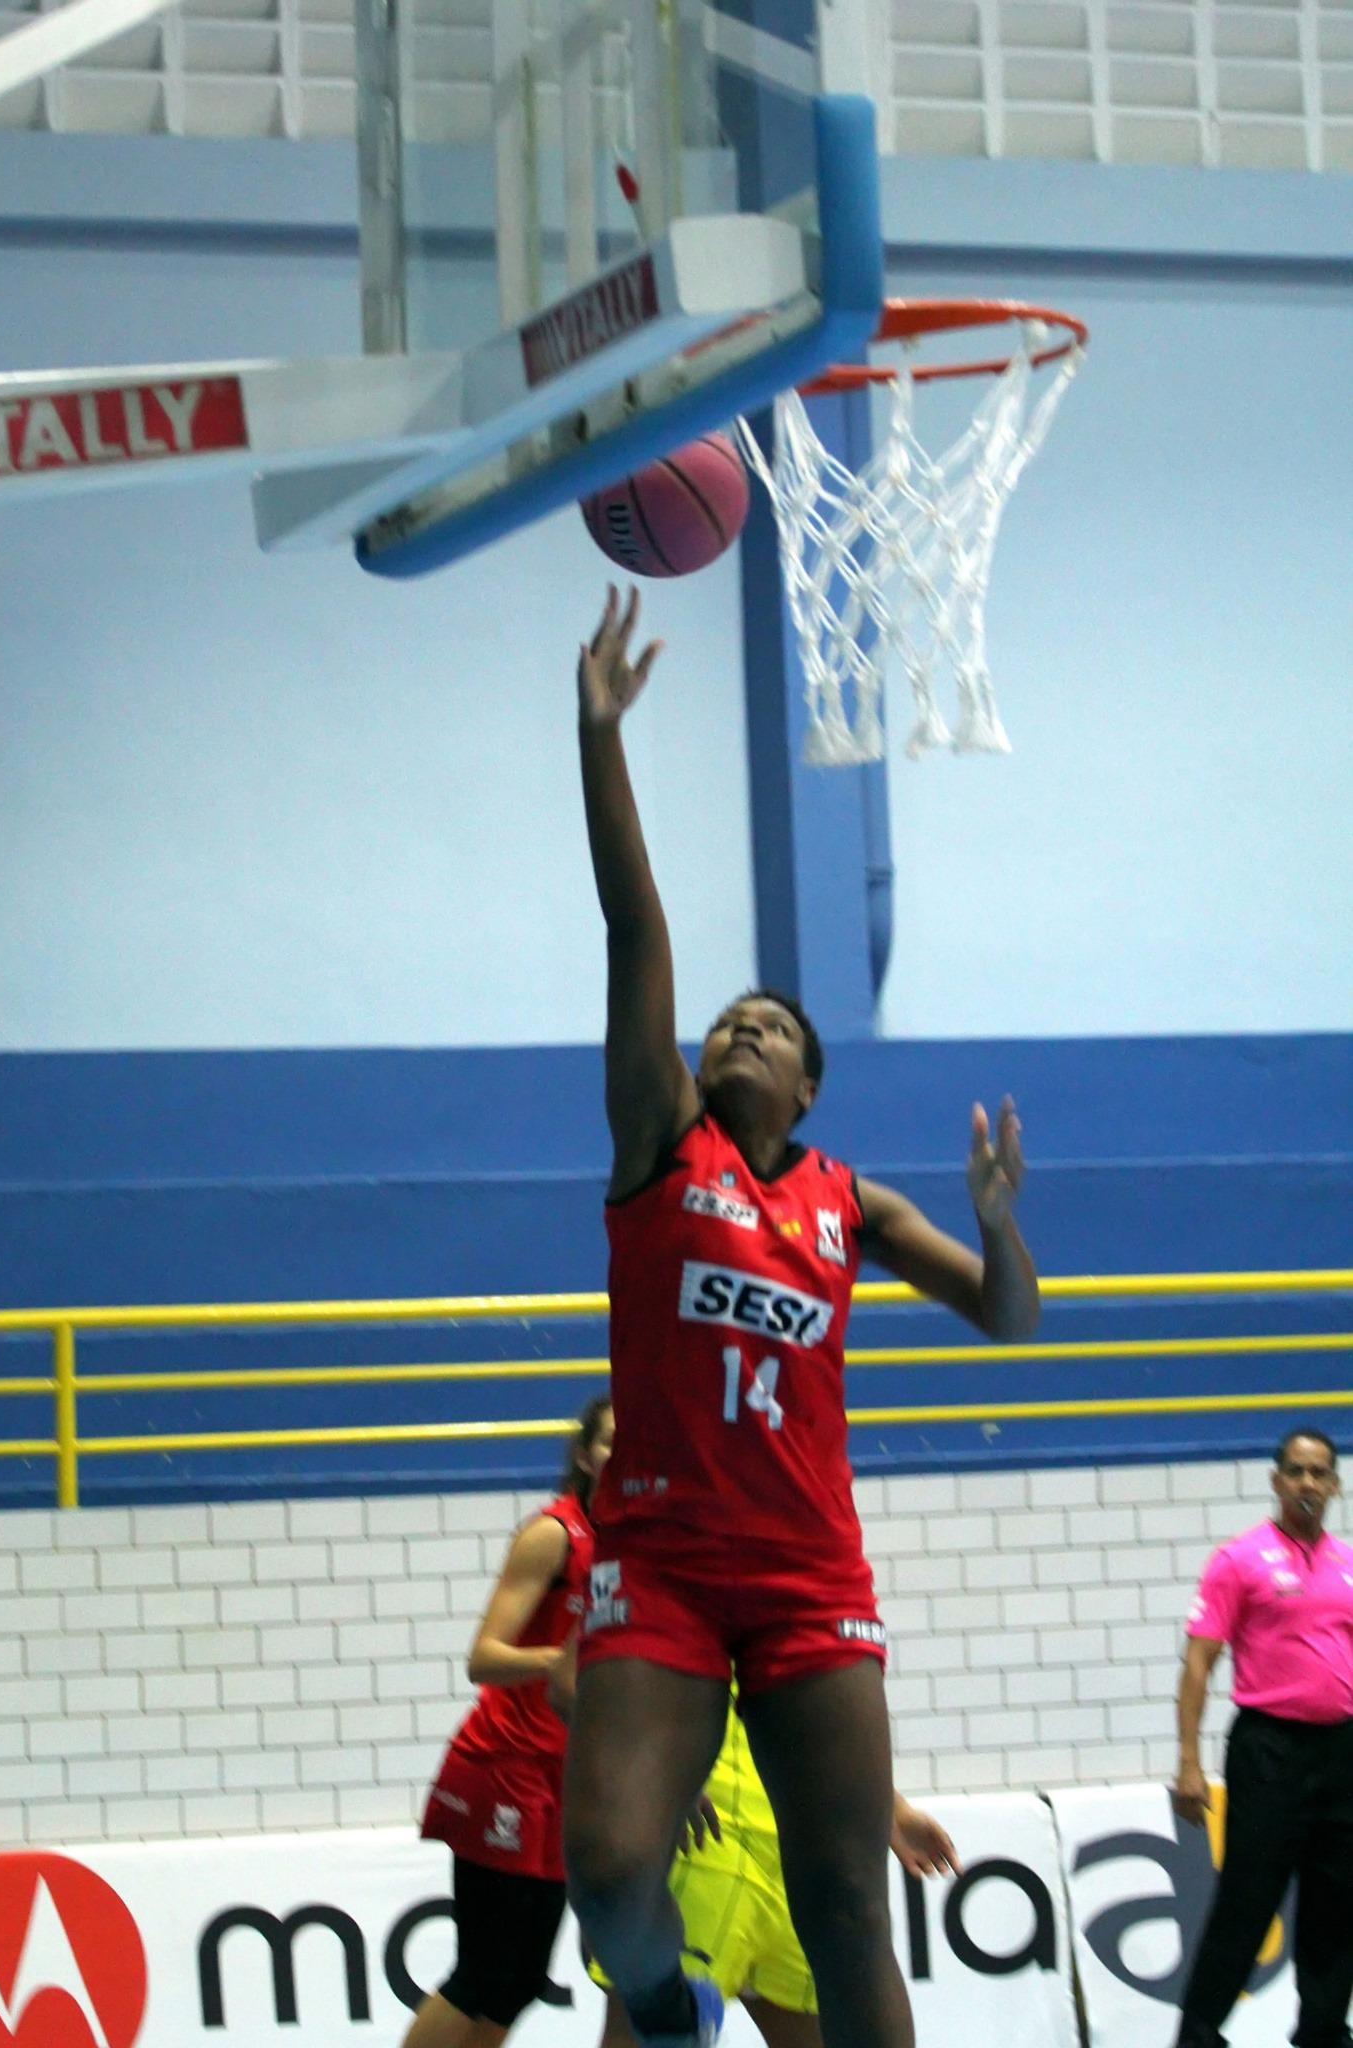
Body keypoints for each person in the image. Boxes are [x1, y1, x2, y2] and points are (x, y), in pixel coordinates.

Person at [562, 586, 1040, 2048]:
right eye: (725, 1023)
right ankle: (660, 2003)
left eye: (767, 1027)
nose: (735, 1031)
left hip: (805, 1572)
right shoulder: (663, 1146)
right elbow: (633, 929)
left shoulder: (852, 1204)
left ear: (811, 1086)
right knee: (610, 1873)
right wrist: (600, 745)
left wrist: (999, 1218)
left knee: (846, 1905)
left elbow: (1009, 1324)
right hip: (664, 1565)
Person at [404, 1393, 615, 2048]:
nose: (626, 1454)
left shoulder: (638, 1543)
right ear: (585, 1455)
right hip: (504, 1765)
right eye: (611, 1441)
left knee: (522, 1978)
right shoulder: (555, 1534)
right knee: (483, 1972)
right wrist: (562, 1659)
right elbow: (483, 1657)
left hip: (560, 1779)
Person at [588, 1693, 962, 2048]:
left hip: (793, 1855)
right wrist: (661, 1775)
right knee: (647, 2033)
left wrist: (890, 1806)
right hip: (707, 1842)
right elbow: (575, 1683)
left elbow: (813, 1708)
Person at [1169, 1426, 1353, 2048]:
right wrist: (1189, 1764)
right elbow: (1198, 1665)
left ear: (1335, 1484)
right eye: (1296, 1472)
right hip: (1269, 1751)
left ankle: (1323, 2031)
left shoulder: (1347, 1564)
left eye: (1319, 1473)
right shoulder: (1239, 1559)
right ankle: (1198, 2035)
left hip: (1341, 1753)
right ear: (1276, 1482)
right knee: (1248, 1901)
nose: (1307, 1484)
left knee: (1337, 1903)